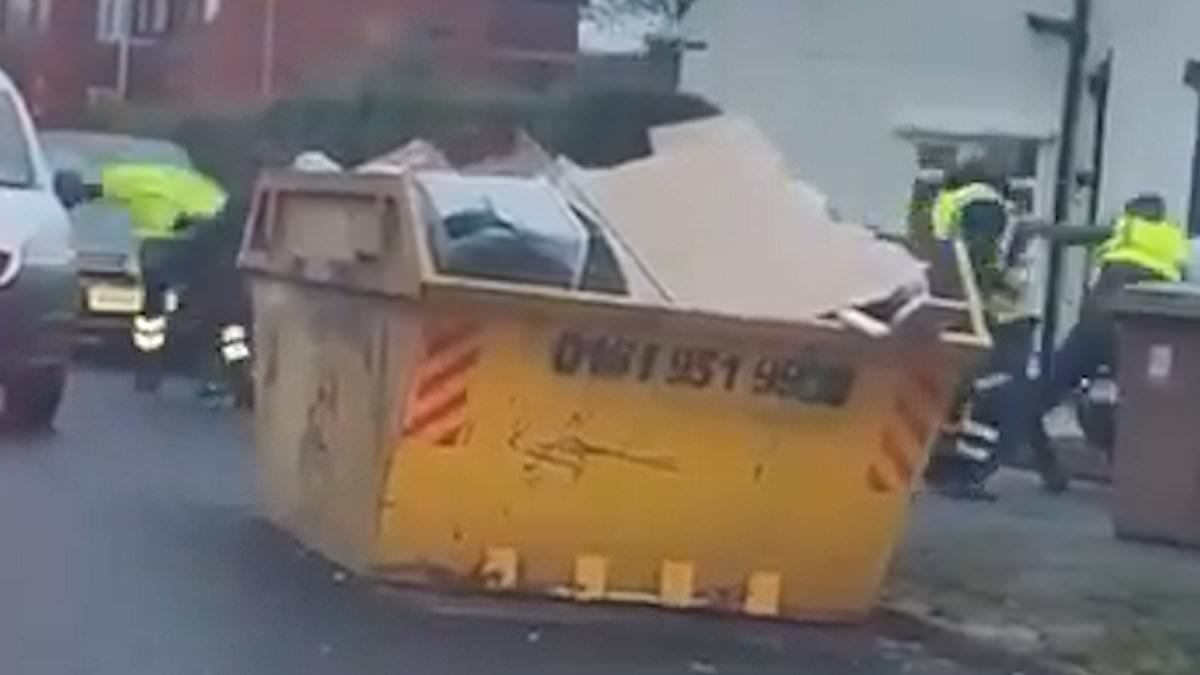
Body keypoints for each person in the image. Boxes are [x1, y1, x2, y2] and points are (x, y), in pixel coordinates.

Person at [923, 159, 1066, 500]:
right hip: (1002, 315)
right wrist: (996, 287)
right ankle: (967, 472)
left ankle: (1050, 471)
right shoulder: (984, 202)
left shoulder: (945, 206)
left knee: (994, 392)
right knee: (1002, 395)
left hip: (965, 309)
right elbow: (982, 257)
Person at [1025, 193, 1189, 480]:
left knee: (1044, 392)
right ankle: (1129, 473)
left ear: (1133, 213)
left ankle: (1045, 458)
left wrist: (1041, 229)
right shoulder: (1176, 241)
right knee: (1136, 403)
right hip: (1142, 331)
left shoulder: (1127, 227)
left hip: (1098, 324)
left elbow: (1074, 235)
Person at [69, 163, 248, 395]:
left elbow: (91, 192)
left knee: (152, 315)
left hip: (165, 247)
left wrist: (76, 194)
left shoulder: (128, 178)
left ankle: (150, 369)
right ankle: (229, 376)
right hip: (207, 248)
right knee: (217, 315)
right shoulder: (202, 185)